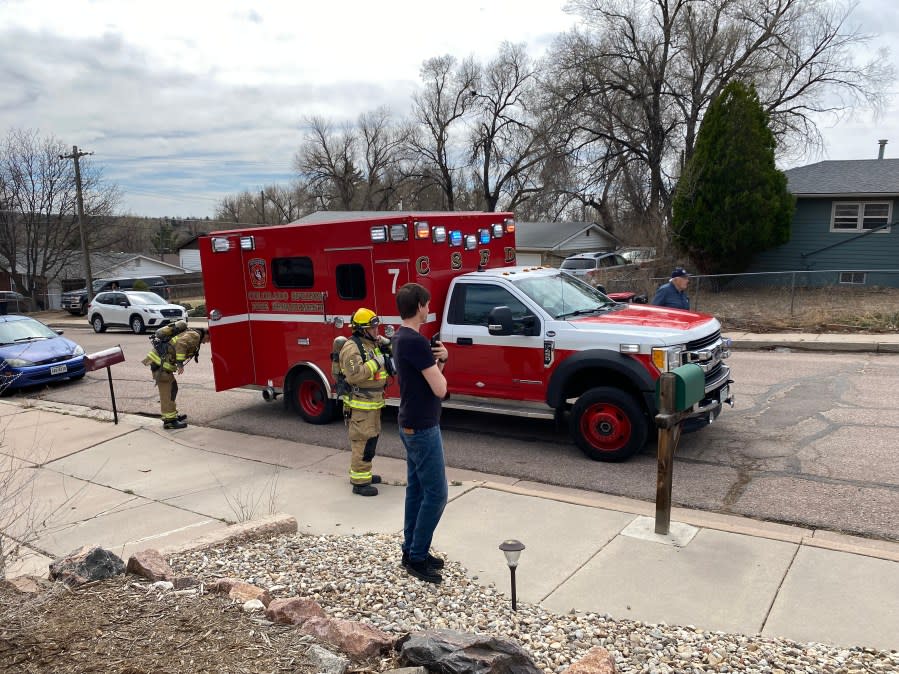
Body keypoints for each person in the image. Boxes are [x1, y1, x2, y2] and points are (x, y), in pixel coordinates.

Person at [393, 282, 449, 584]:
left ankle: (412, 549)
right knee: (437, 494)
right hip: (423, 427)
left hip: (410, 423)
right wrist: (444, 360)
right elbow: (440, 388)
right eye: (427, 304)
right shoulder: (414, 341)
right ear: (418, 307)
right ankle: (416, 557)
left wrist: (437, 360)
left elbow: (426, 382)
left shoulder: (401, 338)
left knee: (416, 490)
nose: (429, 309)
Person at [339, 307, 391, 497]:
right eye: (373, 328)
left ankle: (365, 473)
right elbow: (354, 375)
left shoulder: (370, 344)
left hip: (373, 403)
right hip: (360, 404)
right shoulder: (352, 347)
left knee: (371, 438)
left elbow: (391, 354)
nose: (377, 331)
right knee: (362, 441)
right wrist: (376, 363)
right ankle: (359, 482)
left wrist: (388, 343)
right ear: (362, 329)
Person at [142, 325, 210, 429]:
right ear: (206, 334)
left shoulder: (194, 333)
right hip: (160, 364)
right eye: (209, 339)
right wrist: (180, 364)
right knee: (168, 392)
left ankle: (172, 415)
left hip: (162, 362)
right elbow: (181, 343)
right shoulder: (195, 335)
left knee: (173, 388)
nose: (207, 342)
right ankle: (169, 421)